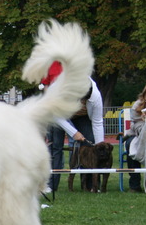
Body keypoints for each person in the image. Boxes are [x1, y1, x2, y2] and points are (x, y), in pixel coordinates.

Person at [41, 61, 104, 193]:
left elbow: (97, 122)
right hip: (59, 114)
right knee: (55, 146)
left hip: (83, 117)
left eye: (82, 100)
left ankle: (90, 185)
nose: (79, 102)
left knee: (89, 148)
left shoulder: (95, 96)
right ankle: (51, 185)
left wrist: (99, 145)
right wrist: (74, 132)